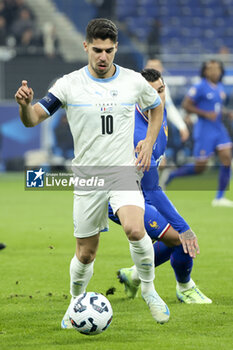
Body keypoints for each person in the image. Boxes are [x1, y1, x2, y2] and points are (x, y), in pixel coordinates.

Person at [15, 18, 170, 326]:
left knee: (135, 230)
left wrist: (149, 142)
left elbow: (156, 106)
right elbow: (32, 119)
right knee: (86, 254)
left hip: (123, 171)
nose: (103, 57)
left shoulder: (132, 81)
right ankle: (75, 303)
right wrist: (25, 106)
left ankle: (150, 290)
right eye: (97, 50)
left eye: (109, 51)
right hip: (88, 177)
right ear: (86, 46)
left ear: (116, 49)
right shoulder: (68, 84)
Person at [109, 68, 211, 304]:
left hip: (145, 193)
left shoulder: (158, 114)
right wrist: (184, 227)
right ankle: (185, 288)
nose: (158, 97)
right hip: (122, 198)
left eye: (162, 91)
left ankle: (133, 275)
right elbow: (152, 190)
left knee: (177, 235)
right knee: (181, 238)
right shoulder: (136, 134)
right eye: (151, 93)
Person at [165, 60, 233, 207]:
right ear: (205, 71)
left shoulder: (220, 87)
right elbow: (186, 104)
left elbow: (217, 108)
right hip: (204, 130)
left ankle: (220, 197)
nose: (214, 72)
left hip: (219, 129)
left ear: (221, 71)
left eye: (217, 69)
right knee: (200, 167)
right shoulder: (200, 86)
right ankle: (172, 175)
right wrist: (205, 114)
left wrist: (227, 113)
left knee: (227, 158)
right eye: (210, 69)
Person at [145, 58, 189, 143]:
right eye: (151, 67)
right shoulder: (138, 84)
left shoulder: (163, 86)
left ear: (162, 69)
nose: (153, 69)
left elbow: (169, 107)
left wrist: (182, 126)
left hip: (156, 129)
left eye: (156, 67)